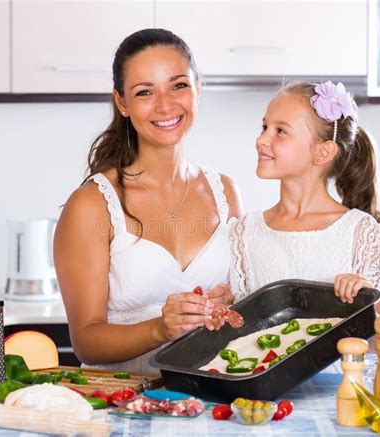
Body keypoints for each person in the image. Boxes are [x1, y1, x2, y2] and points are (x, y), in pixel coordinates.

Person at [54, 29, 242, 373]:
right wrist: (161, 328)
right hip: (122, 406)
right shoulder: (92, 204)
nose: (166, 105)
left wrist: (227, 306)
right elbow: (86, 342)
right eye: (145, 92)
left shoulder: (226, 191)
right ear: (122, 103)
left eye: (179, 85)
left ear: (198, 89)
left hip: (210, 400)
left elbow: (239, 310)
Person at [230, 80, 380, 314]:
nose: (261, 140)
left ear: (323, 152)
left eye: (280, 131)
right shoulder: (244, 231)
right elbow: (240, 325)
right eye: (264, 127)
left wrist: (363, 301)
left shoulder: (360, 231)